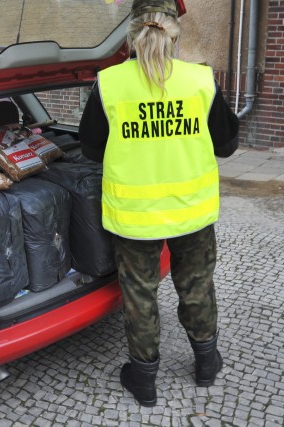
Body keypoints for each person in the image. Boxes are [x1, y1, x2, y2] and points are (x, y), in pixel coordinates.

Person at [78, 0, 239, 407]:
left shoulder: (109, 83)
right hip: (192, 212)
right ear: (175, 34)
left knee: (140, 295)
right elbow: (228, 145)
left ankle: (144, 380)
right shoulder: (200, 81)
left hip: (134, 218)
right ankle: (206, 364)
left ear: (131, 36)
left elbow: (92, 149)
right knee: (197, 285)